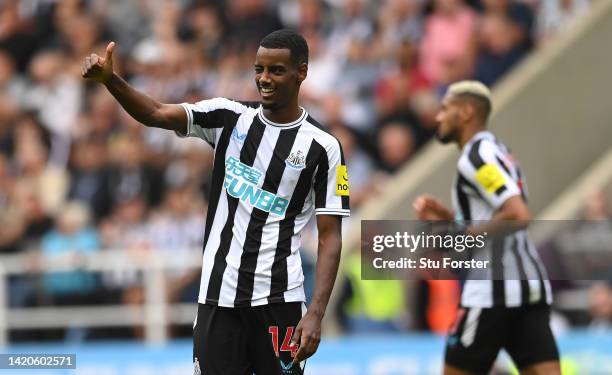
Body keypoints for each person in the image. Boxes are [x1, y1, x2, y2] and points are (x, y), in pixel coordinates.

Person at [82, 29, 349, 375]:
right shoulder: (229, 117)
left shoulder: (324, 147)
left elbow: (331, 236)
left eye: (276, 70)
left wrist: (315, 313)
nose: (264, 79)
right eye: (259, 69)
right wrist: (111, 81)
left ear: (302, 72)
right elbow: (157, 113)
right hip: (217, 299)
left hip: (280, 301)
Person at [412, 81, 560, 375]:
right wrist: (450, 216)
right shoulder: (498, 151)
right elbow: (498, 214)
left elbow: (517, 214)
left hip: (491, 291)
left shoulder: (476, 157)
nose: (438, 117)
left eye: (445, 109)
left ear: (466, 112)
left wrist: (463, 237)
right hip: (527, 287)